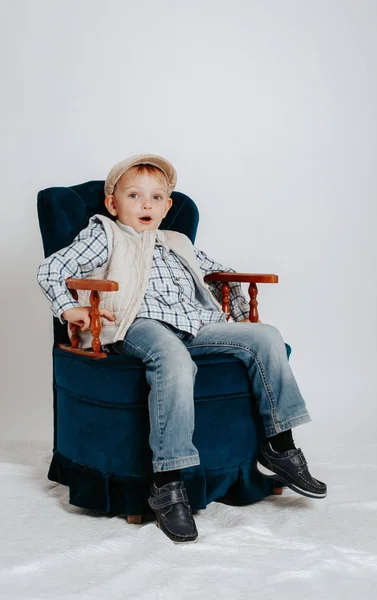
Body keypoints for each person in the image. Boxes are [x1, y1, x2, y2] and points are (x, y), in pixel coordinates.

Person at [37, 153, 327, 544]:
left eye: (157, 198)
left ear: (168, 206)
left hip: (193, 323)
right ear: (112, 203)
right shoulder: (103, 233)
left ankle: (280, 447)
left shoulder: (177, 241)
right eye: (135, 196)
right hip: (135, 323)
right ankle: (168, 482)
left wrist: (239, 315)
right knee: (173, 358)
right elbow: (52, 269)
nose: (146, 205)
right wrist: (70, 308)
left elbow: (216, 275)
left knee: (266, 336)